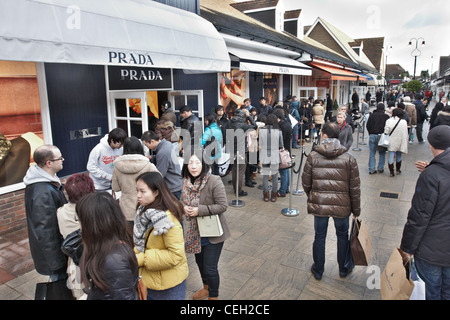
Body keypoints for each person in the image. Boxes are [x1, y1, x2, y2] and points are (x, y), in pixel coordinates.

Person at [302, 122, 361, 280]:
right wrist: (356, 210)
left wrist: (314, 195)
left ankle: (319, 270)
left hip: (320, 204)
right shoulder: (349, 158)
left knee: (319, 236)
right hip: (342, 206)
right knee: (342, 236)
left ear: (324, 135)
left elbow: (306, 182)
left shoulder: (313, 156)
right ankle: (343, 268)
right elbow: (355, 188)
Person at [400, 125, 450, 300]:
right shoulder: (434, 172)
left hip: (431, 250)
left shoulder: (431, 176)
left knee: (432, 292)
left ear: (431, 145)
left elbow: (419, 216)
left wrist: (407, 247)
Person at [181, 152, 230, 300]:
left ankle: (213, 296)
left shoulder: (214, 180)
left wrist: (198, 210)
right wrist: (183, 207)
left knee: (210, 267)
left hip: (213, 231)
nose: (194, 166)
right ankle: (206, 288)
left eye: (197, 162)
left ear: (204, 164)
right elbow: (182, 201)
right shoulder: (185, 181)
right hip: (195, 232)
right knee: (200, 263)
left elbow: (223, 206)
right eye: (190, 163)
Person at [134, 171, 188, 300]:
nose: (138, 195)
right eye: (137, 191)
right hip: (150, 280)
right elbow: (142, 243)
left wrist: (140, 259)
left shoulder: (166, 220)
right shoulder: (144, 212)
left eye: (143, 191)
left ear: (156, 192)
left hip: (169, 286)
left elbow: (176, 255)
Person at [77, 192, 139, 300]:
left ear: (94, 224)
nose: (79, 225)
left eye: (81, 220)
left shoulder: (115, 261)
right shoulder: (101, 248)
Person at [23, 145, 68, 282]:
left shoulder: (47, 180)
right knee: (60, 289)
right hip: (56, 259)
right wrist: (57, 263)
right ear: (49, 163)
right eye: (60, 158)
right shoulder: (42, 192)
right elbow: (46, 231)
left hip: (56, 255)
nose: (63, 160)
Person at [57, 173, 95, 299]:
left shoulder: (60, 211)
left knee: (79, 294)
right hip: (94, 259)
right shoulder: (94, 211)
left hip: (74, 261)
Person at [112, 136, 159, 224]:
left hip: (126, 210)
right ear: (139, 148)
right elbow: (160, 183)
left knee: (129, 236)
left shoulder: (117, 166)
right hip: (146, 208)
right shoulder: (148, 165)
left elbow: (115, 188)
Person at [224, 108, 257, 196]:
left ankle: (236, 188)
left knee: (234, 170)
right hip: (241, 151)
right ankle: (238, 191)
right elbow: (255, 126)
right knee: (240, 171)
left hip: (232, 149)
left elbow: (224, 132)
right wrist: (249, 116)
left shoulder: (229, 123)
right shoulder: (243, 125)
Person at [141, 131, 182, 199]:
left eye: (146, 145)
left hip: (172, 187)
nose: (147, 147)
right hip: (176, 183)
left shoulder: (163, 152)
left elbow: (159, 174)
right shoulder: (167, 144)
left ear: (152, 141)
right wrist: (152, 157)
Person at [258, 114, 283, 202]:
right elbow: (281, 145)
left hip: (265, 154)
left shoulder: (261, 131)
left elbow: (260, 144)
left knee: (265, 175)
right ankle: (273, 195)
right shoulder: (278, 131)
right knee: (275, 176)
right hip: (275, 155)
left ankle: (265, 195)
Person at [366, 103, 390, 174]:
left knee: (372, 153)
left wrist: (370, 133)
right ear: (383, 109)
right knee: (382, 152)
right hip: (382, 136)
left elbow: (368, 125)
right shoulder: (386, 117)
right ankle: (380, 168)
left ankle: (371, 169)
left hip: (373, 134)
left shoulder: (372, 115)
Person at [384, 108, 409, 177]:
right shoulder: (404, 122)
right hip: (401, 141)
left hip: (391, 141)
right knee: (399, 155)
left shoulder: (389, 121)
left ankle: (391, 172)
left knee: (391, 155)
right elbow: (405, 132)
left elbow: (386, 131)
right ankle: (398, 169)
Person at [273, 108, 292, 198]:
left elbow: (281, 141)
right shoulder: (287, 123)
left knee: (283, 171)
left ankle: (282, 190)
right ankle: (286, 188)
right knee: (286, 170)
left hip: (282, 152)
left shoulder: (282, 127)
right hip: (287, 151)